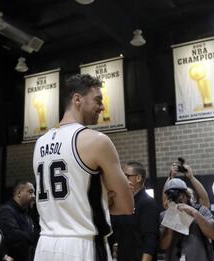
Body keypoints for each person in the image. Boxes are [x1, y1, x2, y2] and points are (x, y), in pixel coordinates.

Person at [32, 74, 134, 261]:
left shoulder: (40, 143)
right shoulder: (97, 141)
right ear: (77, 99)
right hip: (82, 246)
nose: (103, 107)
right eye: (98, 100)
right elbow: (127, 206)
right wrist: (105, 199)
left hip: (44, 246)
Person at [110, 161, 160, 261]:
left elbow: (150, 239)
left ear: (138, 178)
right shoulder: (121, 203)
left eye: (126, 176)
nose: (123, 179)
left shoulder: (147, 203)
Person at [160, 178, 214, 261]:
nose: (178, 199)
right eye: (172, 197)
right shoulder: (164, 215)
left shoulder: (201, 210)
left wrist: (194, 213)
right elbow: (163, 246)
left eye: (180, 195)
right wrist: (170, 223)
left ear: (186, 195)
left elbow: (213, 234)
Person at [0, 181, 39, 261]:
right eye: (30, 192)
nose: (34, 196)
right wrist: (37, 236)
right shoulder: (5, 211)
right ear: (19, 193)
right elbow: (14, 236)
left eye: (34, 193)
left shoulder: (27, 214)